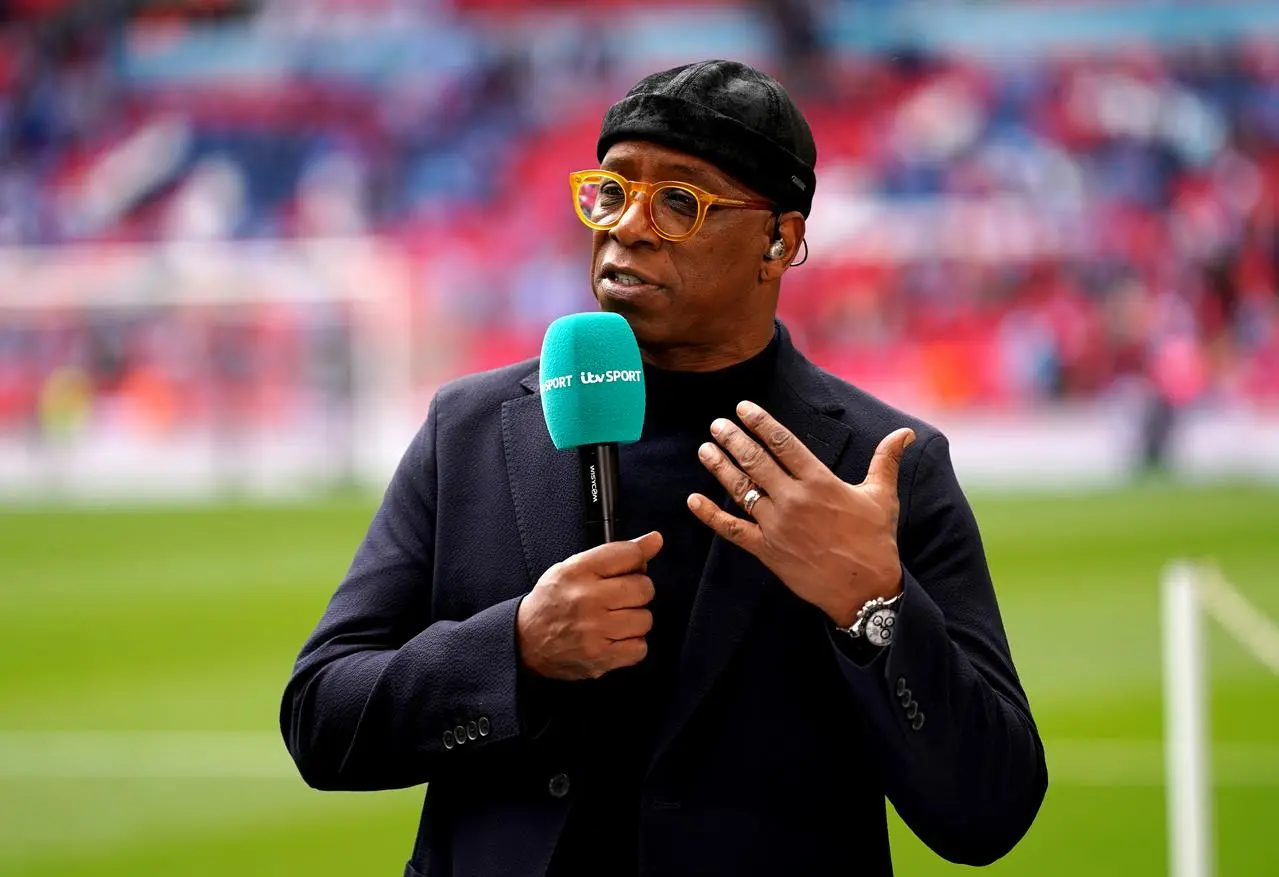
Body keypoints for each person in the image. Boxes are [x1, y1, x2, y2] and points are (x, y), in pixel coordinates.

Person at [281, 59, 1047, 877]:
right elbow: (322, 717)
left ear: (779, 242)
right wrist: (517, 649)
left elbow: (989, 809)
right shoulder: (467, 428)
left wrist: (871, 604)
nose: (628, 226)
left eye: (678, 202)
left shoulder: (881, 466)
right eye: (611, 192)